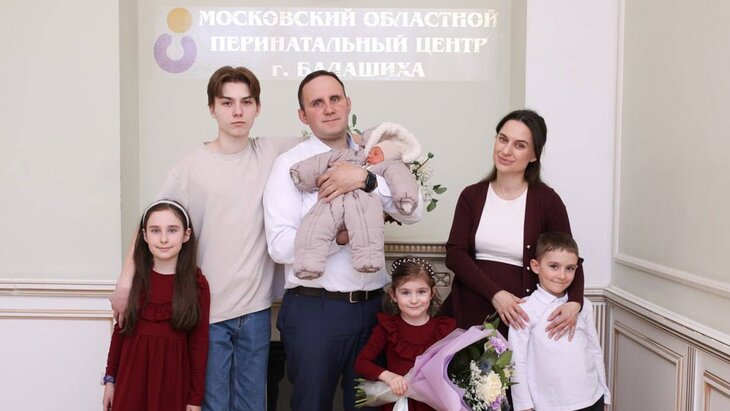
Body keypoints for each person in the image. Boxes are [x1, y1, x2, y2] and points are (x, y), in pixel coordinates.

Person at [110, 66, 300, 411]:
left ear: (258, 107)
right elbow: (150, 222)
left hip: (256, 311)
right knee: (211, 405)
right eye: (227, 102)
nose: (237, 111)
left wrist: (381, 148)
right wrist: (126, 281)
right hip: (206, 313)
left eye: (246, 102)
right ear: (212, 108)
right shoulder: (189, 166)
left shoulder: (273, 152)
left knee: (253, 406)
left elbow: (330, 141)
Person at [263, 70, 423, 411]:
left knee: (369, 407)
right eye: (317, 103)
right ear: (303, 115)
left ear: (348, 103)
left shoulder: (375, 155)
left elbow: (413, 212)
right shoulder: (291, 166)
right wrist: (343, 236)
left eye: (335, 99)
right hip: (314, 311)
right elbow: (279, 246)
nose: (329, 108)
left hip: (373, 310)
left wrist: (365, 179)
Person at [441, 109, 584, 339]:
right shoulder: (471, 196)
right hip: (468, 311)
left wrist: (575, 302)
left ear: (534, 155)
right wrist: (496, 294)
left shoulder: (547, 200)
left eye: (519, 145)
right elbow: (455, 255)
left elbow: (570, 256)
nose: (506, 151)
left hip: (520, 319)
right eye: (502, 139)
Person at [103, 200, 210, 411]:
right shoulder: (133, 282)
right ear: (144, 236)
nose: (163, 239)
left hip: (173, 383)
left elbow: (199, 344)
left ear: (186, 235)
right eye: (155, 231)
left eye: (172, 230)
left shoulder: (197, 284)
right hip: (131, 380)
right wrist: (110, 380)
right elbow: (120, 333)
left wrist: (195, 398)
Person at [289, 122, 422, 278]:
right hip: (332, 201)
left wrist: (405, 198)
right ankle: (308, 265)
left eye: (376, 153)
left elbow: (402, 180)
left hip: (364, 204)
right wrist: (302, 174)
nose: (370, 155)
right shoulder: (352, 156)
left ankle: (369, 261)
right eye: (371, 151)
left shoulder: (389, 167)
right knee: (315, 226)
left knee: (366, 229)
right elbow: (324, 160)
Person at [509, 231, 610, 411]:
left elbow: (595, 350)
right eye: (554, 266)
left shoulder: (583, 306)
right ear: (536, 266)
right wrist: (523, 404)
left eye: (570, 268)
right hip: (549, 405)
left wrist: (605, 392)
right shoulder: (525, 310)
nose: (562, 275)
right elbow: (517, 360)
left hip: (592, 398)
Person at [354, 257, 457, 411]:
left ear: (432, 293)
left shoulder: (444, 329)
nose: (414, 300)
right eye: (405, 293)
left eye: (421, 292)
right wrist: (388, 376)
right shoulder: (388, 327)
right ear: (393, 295)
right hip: (399, 403)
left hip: (433, 404)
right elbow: (361, 362)